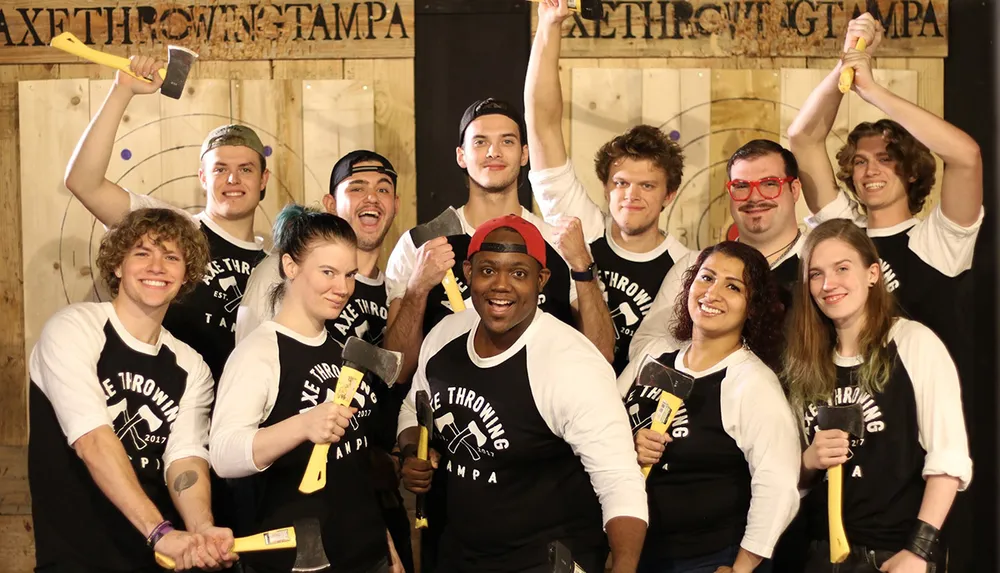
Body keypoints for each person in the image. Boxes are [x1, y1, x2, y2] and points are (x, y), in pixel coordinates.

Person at [787, 15, 982, 570]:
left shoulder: (937, 238)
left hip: (920, 439)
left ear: (913, 169)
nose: (871, 169)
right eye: (861, 160)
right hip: (852, 425)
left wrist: (872, 88)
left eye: (887, 158)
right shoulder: (843, 233)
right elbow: (803, 137)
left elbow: (966, 155)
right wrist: (847, 63)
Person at [396, 215, 648, 572]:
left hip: (546, 560)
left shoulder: (572, 365)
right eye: (487, 271)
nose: (501, 286)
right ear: (468, 273)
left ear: (541, 280)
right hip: (461, 554)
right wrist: (412, 450)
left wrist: (624, 565)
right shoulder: (445, 336)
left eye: (518, 273)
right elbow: (414, 406)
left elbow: (619, 480)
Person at [28, 208, 236, 572]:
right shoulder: (74, 329)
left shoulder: (191, 366)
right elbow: (92, 440)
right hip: (76, 561)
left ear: (186, 274)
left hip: (154, 560)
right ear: (117, 265)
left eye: (171, 257)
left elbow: (184, 460)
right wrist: (160, 531)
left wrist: (201, 529)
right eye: (142, 252)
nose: (157, 266)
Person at [234, 151, 413, 571]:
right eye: (357, 188)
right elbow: (239, 436)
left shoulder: (384, 294)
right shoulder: (275, 290)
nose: (340, 286)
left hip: (360, 518)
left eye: (383, 189)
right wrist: (302, 425)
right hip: (285, 517)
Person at [64, 54, 268, 383]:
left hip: (239, 424)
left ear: (263, 180)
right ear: (202, 176)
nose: (232, 180)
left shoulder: (275, 263)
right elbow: (83, 183)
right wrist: (123, 90)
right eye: (220, 169)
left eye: (245, 169)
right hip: (159, 404)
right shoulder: (171, 230)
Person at [384, 97, 615, 385]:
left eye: (507, 141)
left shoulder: (558, 244)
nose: (493, 152)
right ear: (461, 155)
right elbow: (397, 372)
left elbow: (602, 356)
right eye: (480, 142)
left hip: (538, 421)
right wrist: (417, 290)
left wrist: (583, 267)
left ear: (524, 154)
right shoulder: (420, 245)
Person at [783, 219, 972, 572]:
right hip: (819, 555)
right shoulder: (804, 362)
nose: (829, 284)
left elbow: (949, 458)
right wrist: (808, 461)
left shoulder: (914, 342)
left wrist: (918, 551)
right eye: (816, 274)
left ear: (872, 274)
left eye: (842, 268)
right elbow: (785, 477)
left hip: (894, 556)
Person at [525, 0, 693, 375]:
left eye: (647, 185)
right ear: (605, 187)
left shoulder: (685, 267)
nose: (631, 194)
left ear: (669, 196)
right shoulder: (586, 227)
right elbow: (541, 123)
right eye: (621, 183)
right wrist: (549, 24)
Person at [620, 241, 800, 573]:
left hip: (709, 560)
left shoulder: (752, 383)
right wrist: (629, 446)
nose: (712, 293)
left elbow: (779, 486)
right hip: (635, 554)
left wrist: (742, 568)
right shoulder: (653, 359)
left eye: (733, 286)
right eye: (706, 278)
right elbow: (603, 441)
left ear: (753, 307)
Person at [630, 140, 806, 360]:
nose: (754, 197)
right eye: (741, 186)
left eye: (769, 184)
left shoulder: (817, 267)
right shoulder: (695, 265)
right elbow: (643, 346)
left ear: (795, 189)